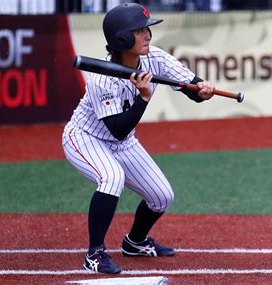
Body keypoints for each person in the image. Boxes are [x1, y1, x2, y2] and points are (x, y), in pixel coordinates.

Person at [62, 3, 215, 274]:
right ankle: (94, 255)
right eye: (140, 30)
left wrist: (202, 89)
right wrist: (144, 98)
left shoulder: (154, 57)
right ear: (121, 38)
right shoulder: (101, 79)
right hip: (85, 138)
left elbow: (189, 85)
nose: (147, 35)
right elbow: (117, 128)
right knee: (111, 177)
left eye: (147, 29)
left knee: (162, 196)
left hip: (123, 142)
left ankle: (135, 242)